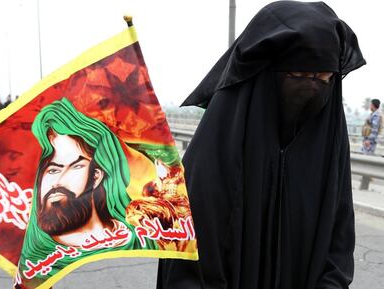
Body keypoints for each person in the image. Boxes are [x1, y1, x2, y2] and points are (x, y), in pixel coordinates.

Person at [157, 2, 365, 289]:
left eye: (323, 78)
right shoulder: (219, 142)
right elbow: (187, 253)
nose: (312, 87)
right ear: (266, 76)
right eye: (300, 77)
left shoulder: (326, 136)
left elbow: (340, 234)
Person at [18, 98, 157, 282]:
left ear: (97, 175)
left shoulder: (142, 238)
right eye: (53, 169)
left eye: (75, 167)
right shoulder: (36, 257)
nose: (58, 182)